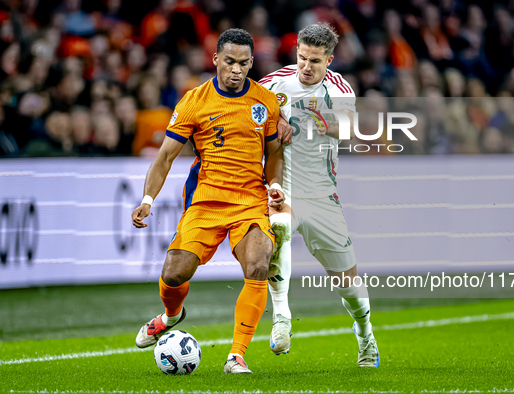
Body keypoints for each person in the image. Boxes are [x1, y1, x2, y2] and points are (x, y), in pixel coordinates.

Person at [131, 28, 284, 374]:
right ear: (215, 59)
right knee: (173, 274)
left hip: (250, 200)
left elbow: (274, 153)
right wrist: (147, 200)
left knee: (259, 263)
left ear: (251, 64)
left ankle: (237, 355)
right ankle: (172, 315)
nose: (236, 69)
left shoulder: (265, 101)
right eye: (229, 61)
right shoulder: (194, 101)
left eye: (244, 63)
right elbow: (165, 157)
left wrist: (274, 182)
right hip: (207, 201)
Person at [259, 23, 379, 367]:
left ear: (329, 59)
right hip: (285, 187)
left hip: (323, 196)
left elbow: (347, 128)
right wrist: (271, 124)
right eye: (301, 58)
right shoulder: (272, 83)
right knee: (277, 229)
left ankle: (365, 333)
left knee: (349, 285)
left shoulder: (339, 87)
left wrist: (309, 119)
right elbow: (249, 117)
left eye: (314, 60)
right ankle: (281, 316)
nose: (306, 67)